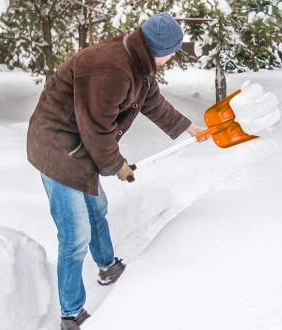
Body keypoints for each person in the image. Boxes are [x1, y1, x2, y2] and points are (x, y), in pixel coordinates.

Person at [27, 11, 207, 330]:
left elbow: (151, 102)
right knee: (74, 234)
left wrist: (189, 128)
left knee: (98, 208)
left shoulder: (138, 62)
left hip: (79, 143)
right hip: (56, 147)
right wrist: (117, 166)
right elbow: (97, 129)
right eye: (174, 51)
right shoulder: (111, 69)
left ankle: (107, 266)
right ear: (162, 49)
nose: (173, 57)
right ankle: (71, 314)